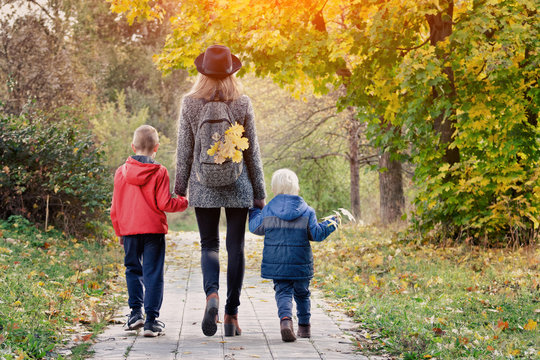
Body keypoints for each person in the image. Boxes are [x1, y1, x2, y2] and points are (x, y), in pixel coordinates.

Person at [174, 45, 266, 337]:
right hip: (238, 183)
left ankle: (211, 294)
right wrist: (260, 191)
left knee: (209, 245)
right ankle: (231, 316)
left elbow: (184, 152)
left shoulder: (190, 104)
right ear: (231, 72)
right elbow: (253, 152)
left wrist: (180, 188)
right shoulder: (242, 102)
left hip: (203, 183)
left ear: (202, 72)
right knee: (235, 246)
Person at [111, 125, 188, 337]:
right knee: (153, 273)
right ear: (156, 147)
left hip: (129, 231)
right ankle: (151, 321)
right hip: (153, 231)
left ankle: (135, 313)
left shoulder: (121, 172)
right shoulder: (159, 172)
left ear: (132, 146)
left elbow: (115, 207)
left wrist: (120, 232)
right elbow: (165, 202)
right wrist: (183, 201)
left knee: (132, 270)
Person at [248, 168, 338, 342]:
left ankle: (285, 321)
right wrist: (331, 223)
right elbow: (317, 234)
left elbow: (255, 228)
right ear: (296, 188)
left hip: (277, 262)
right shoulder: (307, 211)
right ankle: (304, 328)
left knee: (283, 292)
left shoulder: (268, 211)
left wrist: (254, 210)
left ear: (274, 189)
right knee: (302, 293)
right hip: (300, 262)